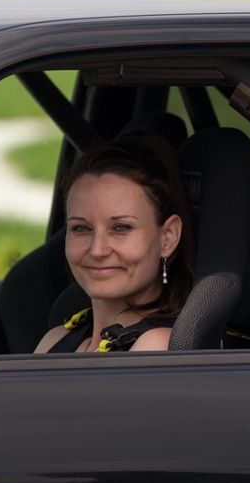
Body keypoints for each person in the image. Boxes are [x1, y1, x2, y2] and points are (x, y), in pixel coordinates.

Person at [35, 136, 194, 354]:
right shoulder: (56, 339)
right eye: (81, 228)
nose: (97, 250)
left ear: (167, 237)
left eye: (121, 228)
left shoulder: (155, 346)